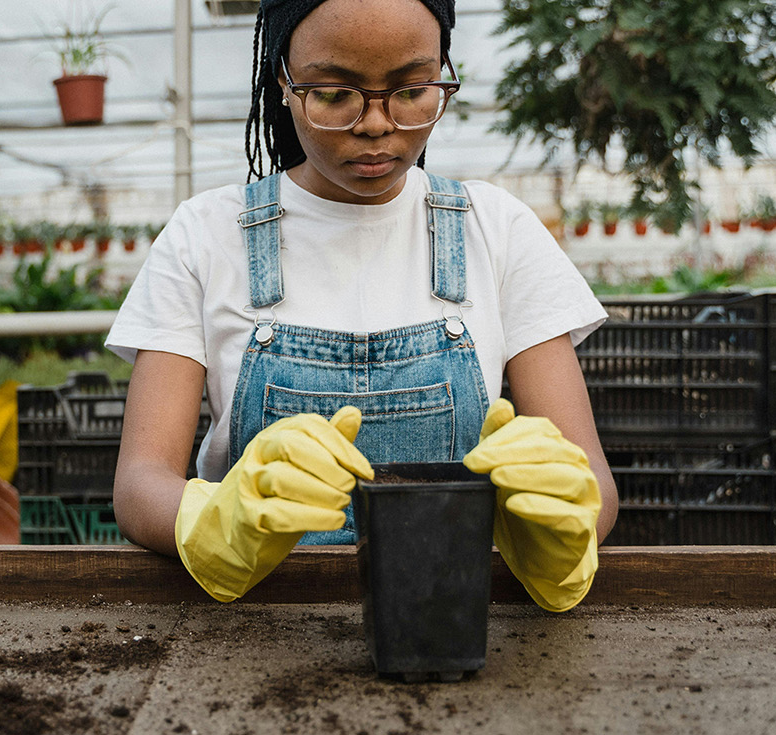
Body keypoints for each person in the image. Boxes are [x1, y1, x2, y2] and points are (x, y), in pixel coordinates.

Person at [105, 0, 617, 613]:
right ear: (284, 84)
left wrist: (563, 523)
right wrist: (214, 520)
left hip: (450, 618)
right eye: (333, 93)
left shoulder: (498, 230)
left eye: (412, 89)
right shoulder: (207, 235)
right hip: (258, 633)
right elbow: (140, 483)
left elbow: (591, 477)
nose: (376, 124)